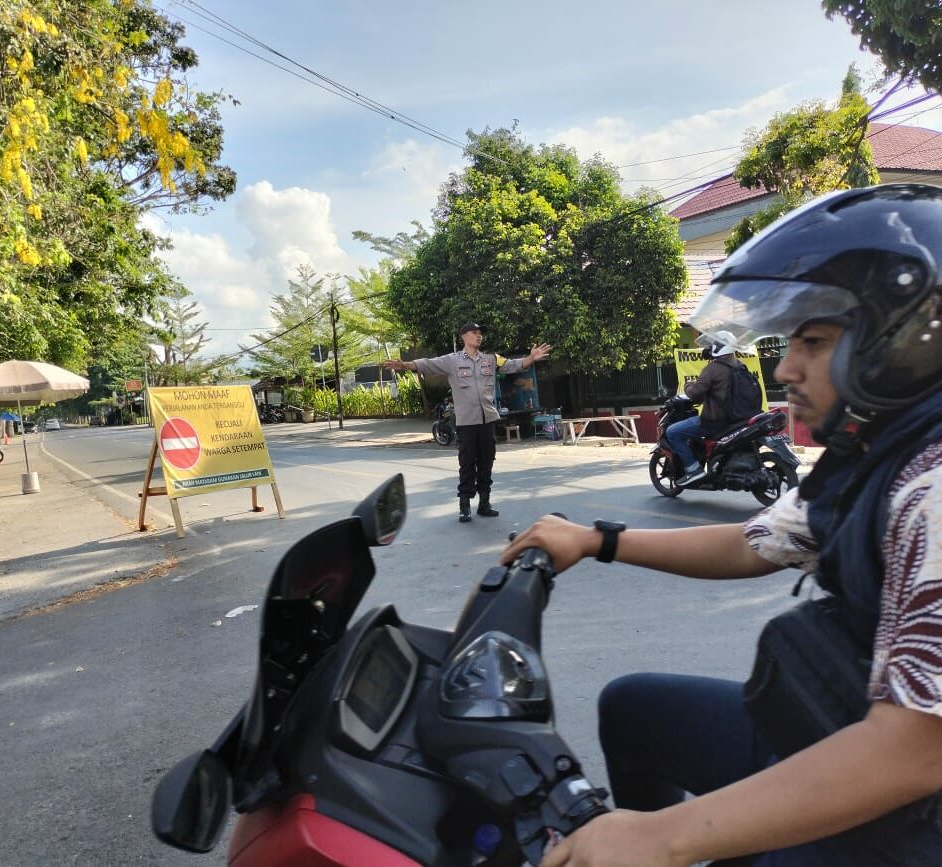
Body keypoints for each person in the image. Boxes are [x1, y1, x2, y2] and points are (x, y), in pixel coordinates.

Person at [501, 183, 942, 866]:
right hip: (832, 728)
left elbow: (918, 746)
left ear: (901, 344)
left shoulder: (934, 484)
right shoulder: (873, 453)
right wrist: (596, 539)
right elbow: (752, 541)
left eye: (815, 341)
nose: (786, 367)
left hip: (905, 813)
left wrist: (660, 837)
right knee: (632, 709)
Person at [385, 322, 551, 522]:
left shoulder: (490, 359)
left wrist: (531, 358)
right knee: (466, 464)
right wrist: (405, 365)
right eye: (474, 333)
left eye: (480, 333)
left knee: (486, 463)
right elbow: (428, 364)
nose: (479, 336)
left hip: (487, 419)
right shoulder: (452, 361)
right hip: (466, 423)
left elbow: (513, 365)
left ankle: (484, 503)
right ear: (464, 336)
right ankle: (464, 505)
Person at [665, 331, 748, 486]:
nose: (710, 348)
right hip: (739, 418)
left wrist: (689, 386)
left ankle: (693, 469)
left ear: (719, 347)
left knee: (673, 432)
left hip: (716, 420)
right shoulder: (740, 365)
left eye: (713, 345)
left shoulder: (714, 368)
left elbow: (696, 393)